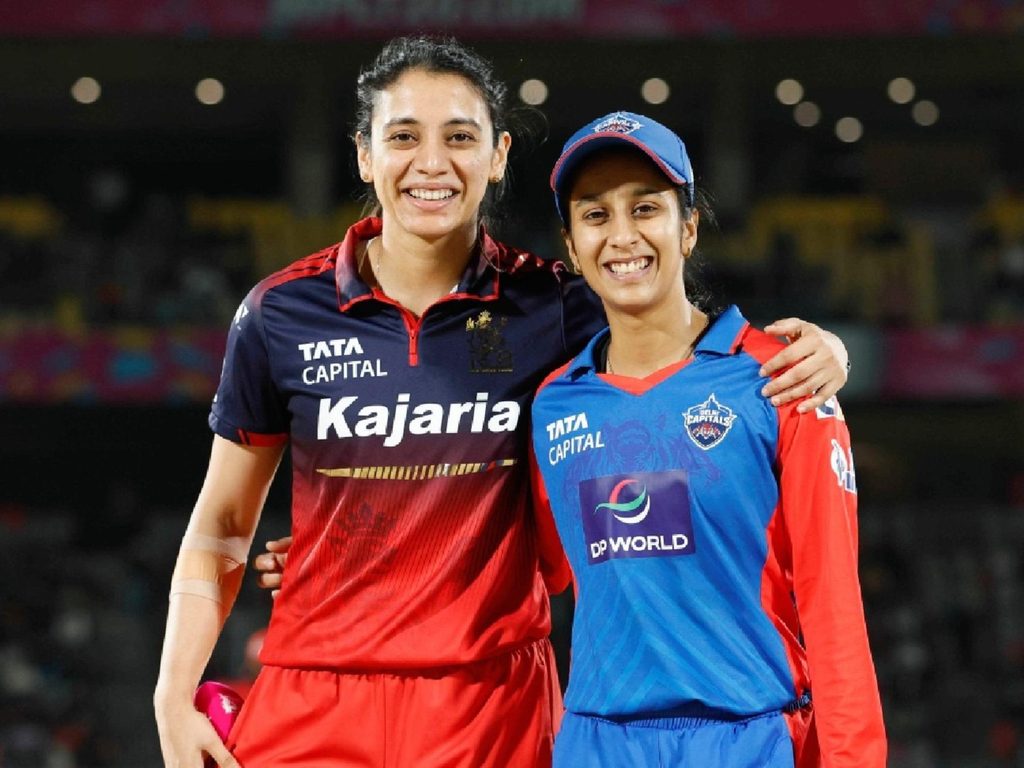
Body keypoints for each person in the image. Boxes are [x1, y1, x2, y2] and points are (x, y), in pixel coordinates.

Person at [154, 36, 852, 768]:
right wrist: (173, 695)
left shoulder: (556, 305)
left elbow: (676, 332)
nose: (432, 163)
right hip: (315, 697)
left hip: (492, 704)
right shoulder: (279, 312)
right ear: (364, 154)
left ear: (497, 155)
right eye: (403, 136)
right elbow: (222, 524)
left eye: (460, 137)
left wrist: (825, 352)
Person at [529, 110, 886, 767]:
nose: (622, 235)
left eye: (645, 208)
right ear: (572, 247)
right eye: (596, 214)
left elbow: (833, 602)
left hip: (746, 741)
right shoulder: (554, 404)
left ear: (688, 227)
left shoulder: (783, 380)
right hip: (596, 746)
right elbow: (538, 570)